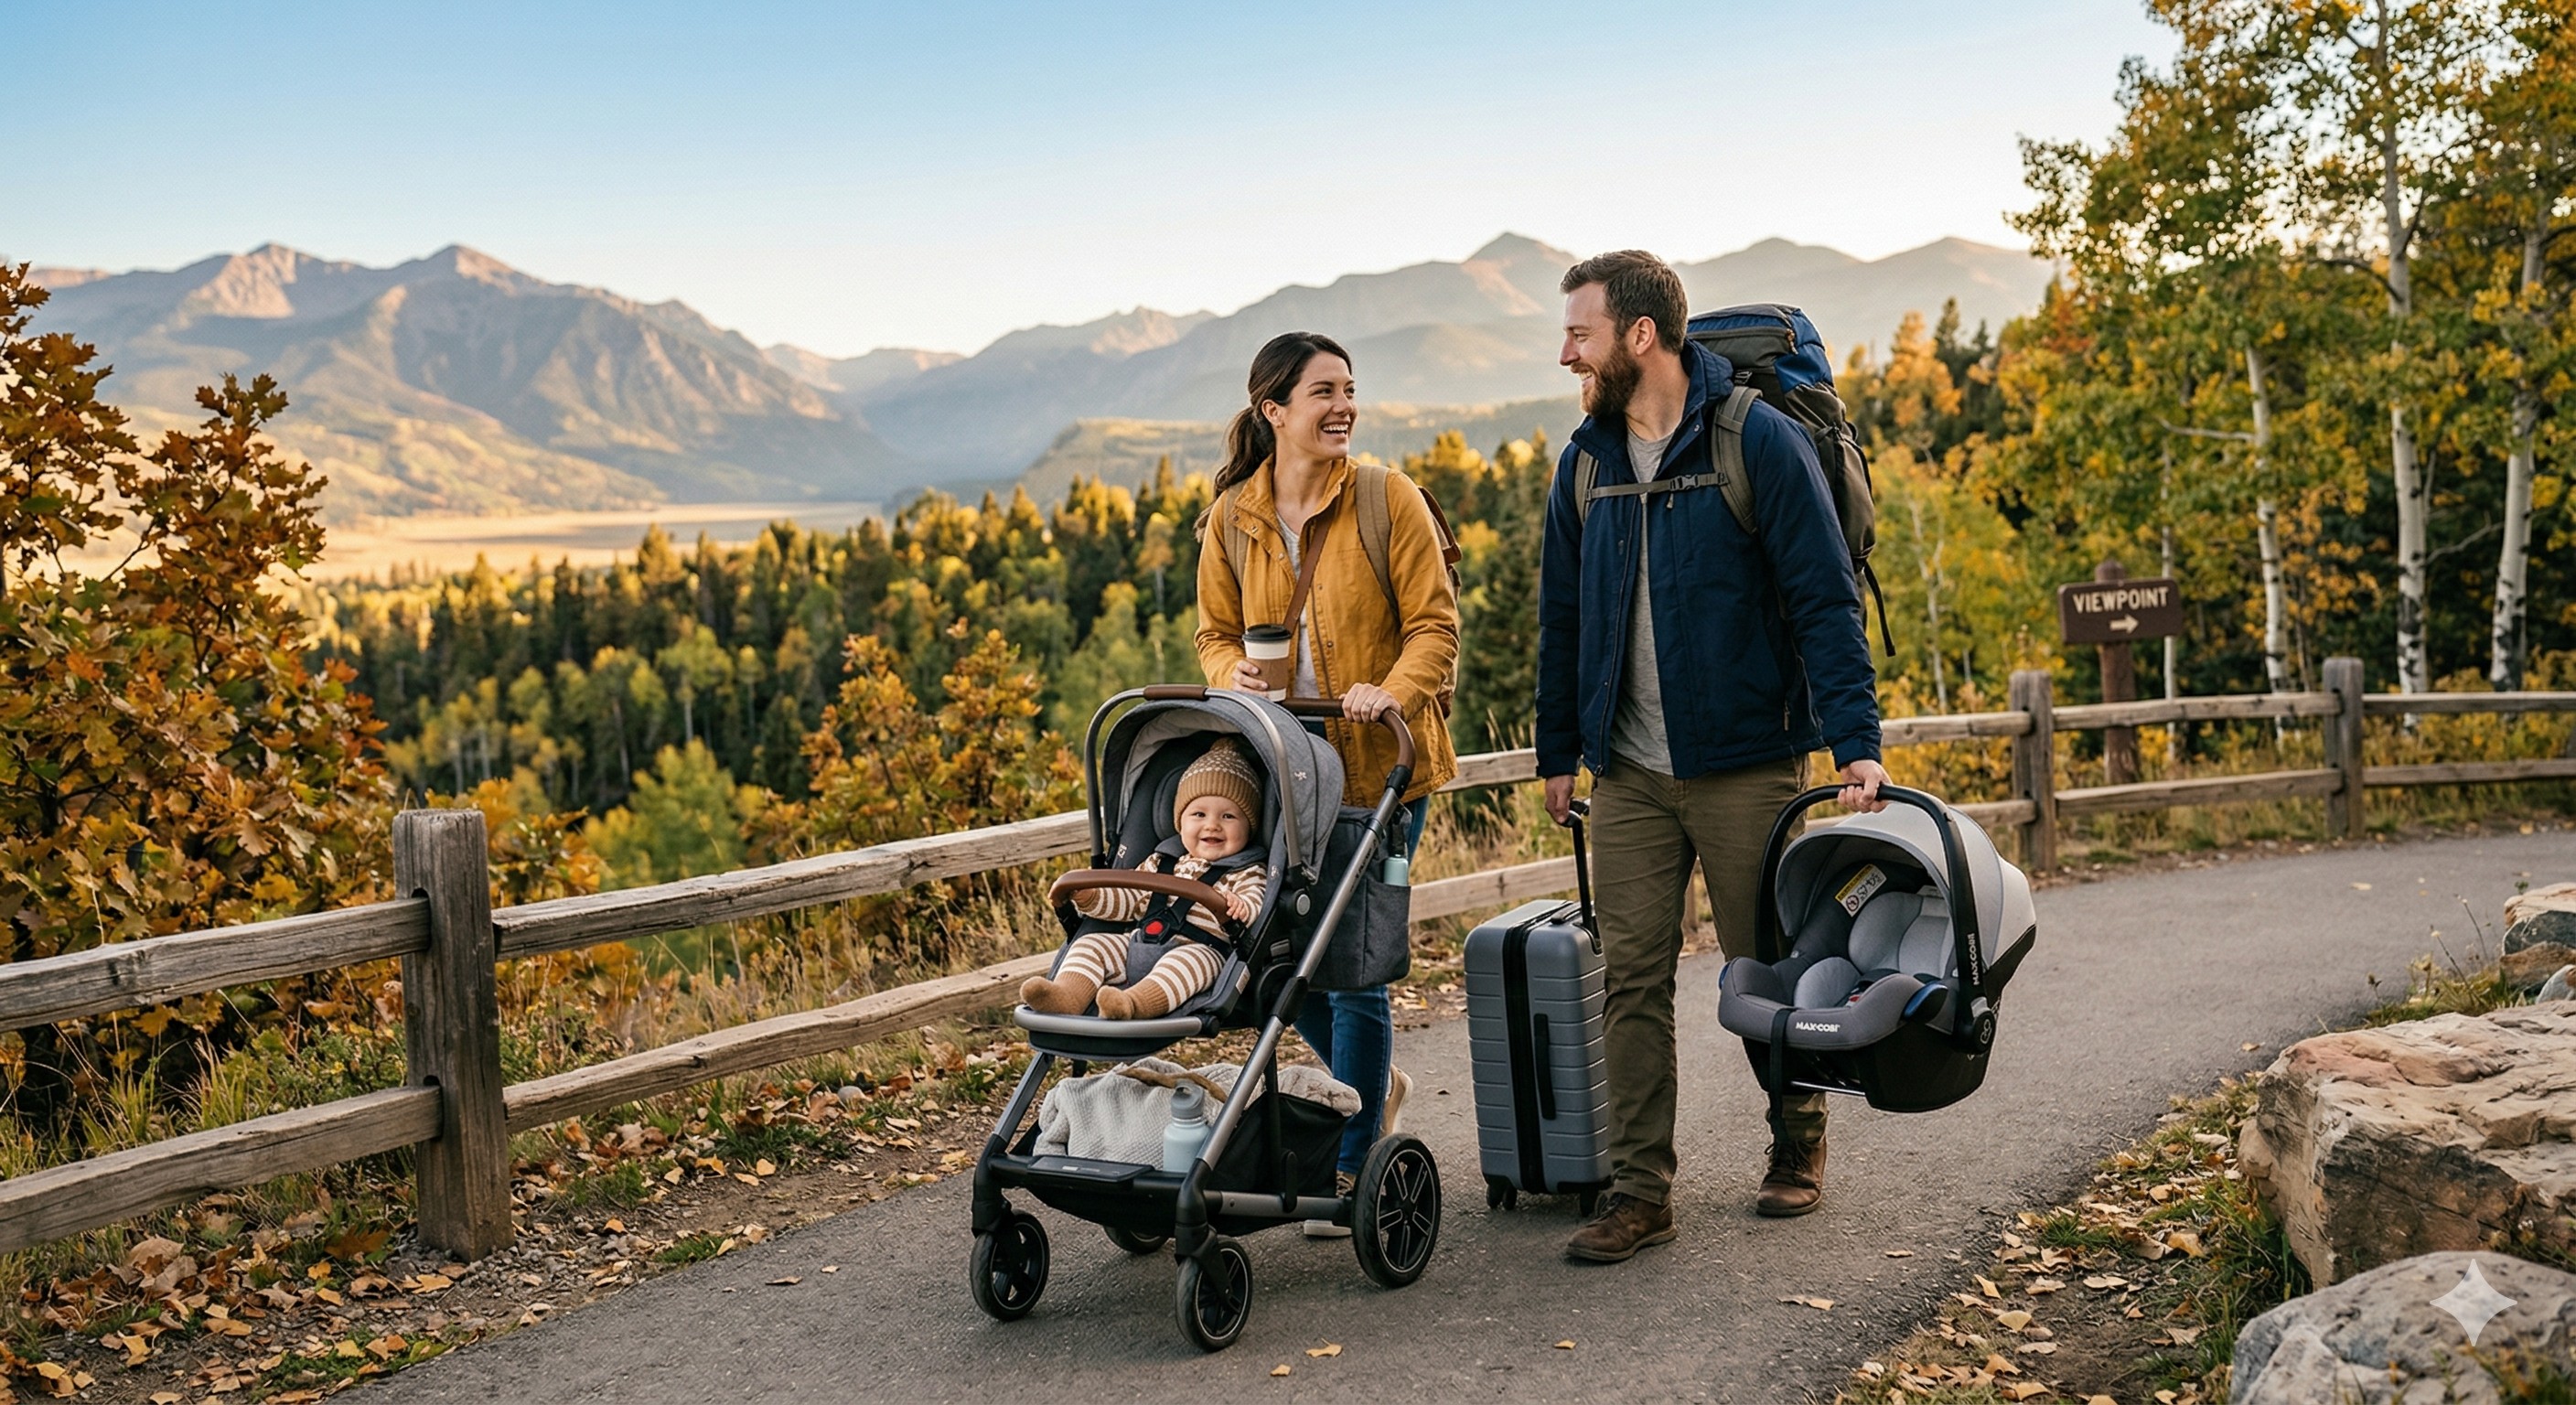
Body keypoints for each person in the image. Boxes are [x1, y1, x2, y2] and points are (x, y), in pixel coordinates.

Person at [1535, 251, 1888, 1264]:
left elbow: (1823, 599)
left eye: (1580, 333)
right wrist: (1559, 746)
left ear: (1638, 337)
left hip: (1744, 766)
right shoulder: (1587, 463)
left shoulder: (1755, 442)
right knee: (1630, 978)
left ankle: (1796, 1140)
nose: (1566, 353)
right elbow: (1561, 616)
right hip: (1630, 775)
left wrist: (1854, 743)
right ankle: (1640, 1190)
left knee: (1765, 974)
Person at [1196, 330, 1460, 1237]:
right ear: (1273, 409)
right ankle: (1367, 1083)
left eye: (1349, 389)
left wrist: (1388, 690)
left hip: (1381, 770)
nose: (1343, 405)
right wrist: (1231, 671)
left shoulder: (1388, 500)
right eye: (1323, 391)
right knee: (1279, 960)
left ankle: (1346, 1169)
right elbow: (1212, 632)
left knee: (1354, 972)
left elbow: (1434, 625)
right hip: (1284, 773)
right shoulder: (1232, 516)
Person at [1020, 738, 1269, 1021]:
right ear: (1180, 821)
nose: (1212, 824)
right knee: (1092, 944)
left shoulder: (1246, 871)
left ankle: (1132, 1004)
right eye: (1199, 814)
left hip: (1203, 951)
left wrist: (1241, 907)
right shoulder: (1160, 861)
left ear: (1249, 827)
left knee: (1185, 963)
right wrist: (1091, 896)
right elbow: (1126, 899)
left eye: (1228, 816)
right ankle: (1066, 997)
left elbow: (1257, 905)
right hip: (1138, 942)